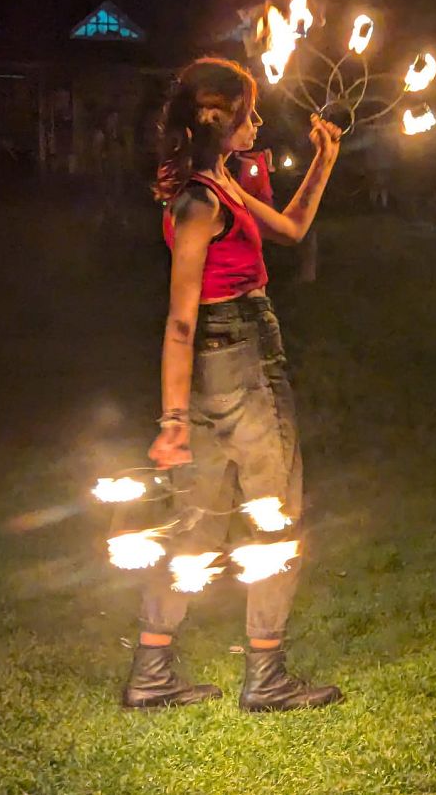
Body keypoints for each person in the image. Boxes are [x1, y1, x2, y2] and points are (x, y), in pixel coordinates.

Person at [123, 57, 344, 712]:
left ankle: (152, 673)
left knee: (196, 524)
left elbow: (293, 230)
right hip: (241, 362)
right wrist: (170, 423)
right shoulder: (199, 201)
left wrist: (324, 158)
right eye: (246, 111)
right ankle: (266, 676)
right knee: (277, 515)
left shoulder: (215, 182)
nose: (256, 121)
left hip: (214, 376)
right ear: (216, 117)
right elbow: (181, 321)